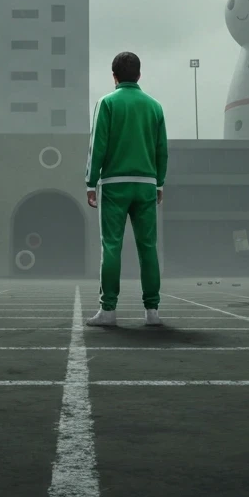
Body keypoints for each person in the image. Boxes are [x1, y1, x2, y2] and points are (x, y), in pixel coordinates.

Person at [84, 51, 168, 326]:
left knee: (111, 246)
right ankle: (152, 312)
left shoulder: (107, 103)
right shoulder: (155, 106)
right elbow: (161, 150)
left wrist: (90, 181)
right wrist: (160, 182)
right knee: (148, 247)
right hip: (146, 184)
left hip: (114, 184)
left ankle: (108, 311)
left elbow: (98, 145)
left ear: (114, 76)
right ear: (139, 75)